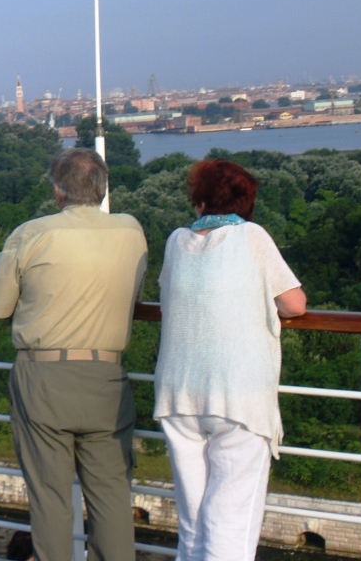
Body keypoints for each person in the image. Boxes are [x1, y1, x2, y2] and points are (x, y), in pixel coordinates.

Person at [0, 148, 147, 561]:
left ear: (58, 191)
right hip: (106, 379)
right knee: (112, 498)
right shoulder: (131, 232)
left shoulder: (31, 234)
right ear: (104, 188)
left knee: (50, 499)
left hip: (43, 380)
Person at [154, 159, 306, 558]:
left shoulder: (176, 241)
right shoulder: (252, 236)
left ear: (200, 201)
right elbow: (294, 304)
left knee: (193, 525)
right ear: (245, 203)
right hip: (240, 396)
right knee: (230, 523)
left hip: (178, 394)